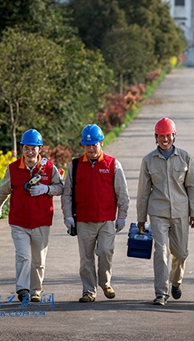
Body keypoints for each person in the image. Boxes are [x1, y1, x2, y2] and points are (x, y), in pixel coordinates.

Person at [0, 129, 64, 303]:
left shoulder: (49, 167)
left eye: (33, 148)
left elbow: (60, 187)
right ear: (22, 148)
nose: (30, 152)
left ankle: (36, 290)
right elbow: (4, 190)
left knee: (39, 260)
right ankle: (22, 289)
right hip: (19, 221)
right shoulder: (13, 168)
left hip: (42, 221)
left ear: (40, 149)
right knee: (23, 256)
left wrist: (46, 189)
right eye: (26, 148)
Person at [61, 124, 130, 303]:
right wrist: (67, 216)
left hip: (106, 220)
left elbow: (122, 193)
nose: (91, 149)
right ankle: (88, 291)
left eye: (94, 145)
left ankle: (105, 282)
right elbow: (67, 193)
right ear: (83, 146)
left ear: (101, 143)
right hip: (83, 220)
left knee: (106, 252)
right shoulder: (75, 165)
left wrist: (122, 216)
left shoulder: (113, 164)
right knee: (86, 259)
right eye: (87, 145)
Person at [137, 117, 194, 306]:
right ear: (155, 137)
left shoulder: (185, 157)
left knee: (181, 253)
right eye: (161, 136)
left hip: (181, 212)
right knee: (161, 251)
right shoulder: (148, 160)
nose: (165, 140)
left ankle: (176, 281)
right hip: (158, 212)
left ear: (174, 136)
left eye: (168, 136)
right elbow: (142, 192)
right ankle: (161, 293)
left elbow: (193, 187)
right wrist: (141, 217)